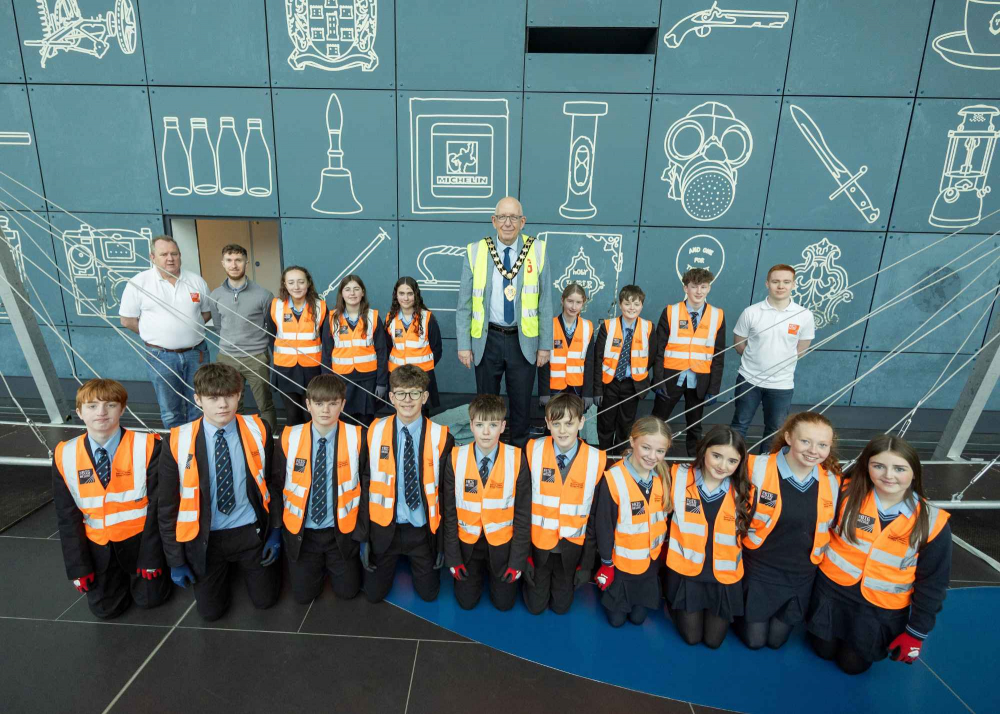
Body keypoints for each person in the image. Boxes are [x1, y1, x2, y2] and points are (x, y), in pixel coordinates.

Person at [807, 436, 952, 674]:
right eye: (879, 466)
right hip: (831, 594)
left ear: (914, 473)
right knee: (822, 651)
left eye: (899, 468)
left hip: (880, 609)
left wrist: (916, 633)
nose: (889, 475)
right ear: (867, 466)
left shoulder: (932, 522)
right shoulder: (844, 494)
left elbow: (934, 583)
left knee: (852, 666)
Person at [158, 363, 282, 621]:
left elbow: (272, 483)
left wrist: (276, 531)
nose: (222, 404)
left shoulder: (259, 430)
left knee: (266, 601)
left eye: (228, 396)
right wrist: (175, 559)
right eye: (213, 398)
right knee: (211, 613)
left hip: (249, 530)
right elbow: (167, 506)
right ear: (198, 399)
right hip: (206, 537)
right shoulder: (176, 441)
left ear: (239, 395)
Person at [52, 379, 171, 619]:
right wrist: (78, 568)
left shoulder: (148, 446)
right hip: (98, 548)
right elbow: (67, 517)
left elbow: (160, 508)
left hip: (140, 544)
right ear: (79, 412)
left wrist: (152, 558)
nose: (102, 413)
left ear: (123, 409)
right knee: (105, 611)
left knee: (151, 601)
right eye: (92, 406)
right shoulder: (64, 454)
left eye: (110, 405)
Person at [736, 411, 841, 650]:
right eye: (805, 441)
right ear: (788, 437)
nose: (813, 450)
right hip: (760, 568)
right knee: (755, 641)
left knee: (776, 642)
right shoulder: (755, 467)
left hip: (801, 573)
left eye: (822, 444)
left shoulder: (833, 481)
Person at [455, 197, 553, 446]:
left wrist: (545, 345)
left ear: (523, 222)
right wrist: (464, 344)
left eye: (513, 218)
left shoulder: (538, 250)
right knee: (487, 403)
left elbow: (545, 302)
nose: (507, 223)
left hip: (524, 341)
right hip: (487, 340)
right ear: (493, 221)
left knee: (521, 403)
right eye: (502, 217)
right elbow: (464, 303)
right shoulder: (475, 250)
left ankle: (518, 453)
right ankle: (488, 451)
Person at [359, 365, 453, 603]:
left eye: (414, 393)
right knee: (372, 595)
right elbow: (364, 487)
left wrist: (443, 544)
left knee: (429, 595)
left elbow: (446, 496)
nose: (407, 400)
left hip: (421, 531)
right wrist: (363, 538)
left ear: (425, 397)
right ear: (391, 397)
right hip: (385, 528)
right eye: (401, 393)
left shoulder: (442, 437)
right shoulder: (374, 432)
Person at [275, 374, 365, 604]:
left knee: (349, 592)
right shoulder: (288, 438)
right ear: (308, 404)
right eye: (319, 403)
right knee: (304, 596)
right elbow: (275, 487)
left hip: (341, 531)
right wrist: (277, 533)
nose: (326, 410)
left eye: (333, 403)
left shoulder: (358, 438)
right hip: (303, 534)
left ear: (343, 405)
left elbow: (368, 489)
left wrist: (363, 536)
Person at [664, 426, 752, 649]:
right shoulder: (678, 476)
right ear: (704, 450)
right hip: (687, 572)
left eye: (732, 461)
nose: (723, 466)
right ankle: (673, 602)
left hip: (723, 577)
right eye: (716, 456)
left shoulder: (745, 489)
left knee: (713, 642)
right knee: (692, 638)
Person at [442, 394, 531, 611]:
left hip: (502, 547)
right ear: (471, 425)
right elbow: (449, 513)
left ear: (502, 426)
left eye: (492, 425)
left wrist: (517, 562)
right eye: (480, 424)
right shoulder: (455, 457)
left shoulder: (517, 458)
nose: (486, 432)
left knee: (504, 605)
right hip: (467, 547)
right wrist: (453, 558)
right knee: (466, 603)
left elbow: (522, 515)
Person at [522, 393, 606, 615]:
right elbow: (521, 508)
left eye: (569, 423)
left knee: (561, 608)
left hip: (571, 550)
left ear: (581, 422)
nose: (562, 430)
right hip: (538, 547)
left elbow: (594, 518)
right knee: (535, 607)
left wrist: (586, 565)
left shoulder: (597, 460)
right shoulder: (532, 450)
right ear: (547, 423)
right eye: (556, 423)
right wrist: (525, 556)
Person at [119, 235, 210, 429]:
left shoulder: (196, 281)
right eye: (164, 254)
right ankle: (177, 449)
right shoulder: (138, 283)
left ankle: (196, 445)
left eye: (174, 254)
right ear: (152, 257)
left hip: (197, 353)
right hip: (161, 356)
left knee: (199, 404)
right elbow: (127, 320)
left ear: (180, 256)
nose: (170, 258)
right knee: (170, 409)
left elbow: (206, 313)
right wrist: (155, 336)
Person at [594, 416, 671, 628]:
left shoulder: (663, 477)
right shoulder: (613, 478)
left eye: (660, 451)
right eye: (646, 447)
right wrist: (607, 564)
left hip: (649, 565)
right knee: (617, 621)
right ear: (632, 441)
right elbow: (604, 527)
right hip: (621, 566)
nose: (652, 456)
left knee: (638, 619)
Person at [730, 264, 815, 453]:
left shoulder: (804, 315)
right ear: (767, 283)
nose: (780, 286)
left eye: (786, 282)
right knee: (740, 425)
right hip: (749, 379)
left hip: (781, 384)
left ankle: (765, 466)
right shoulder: (751, 312)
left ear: (793, 284)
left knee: (775, 430)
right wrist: (756, 360)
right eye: (776, 281)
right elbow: (739, 344)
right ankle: (733, 464)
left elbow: (802, 348)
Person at [651, 268, 726, 456]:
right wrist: (658, 379)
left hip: (700, 380)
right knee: (657, 422)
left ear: (709, 288)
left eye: (703, 286)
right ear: (686, 288)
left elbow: (718, 355)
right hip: (671, 378)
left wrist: (713, 388)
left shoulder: (717, 315)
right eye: (694, 286)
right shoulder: (670, 311)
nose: (699, 291)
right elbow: (659, 350)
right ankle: (650, 456)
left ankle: (695, 461)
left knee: (695, 425)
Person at [209, 243, 276, 430]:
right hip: (227, 358)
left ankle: (268, 442)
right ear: (223, 263)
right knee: (230, 405)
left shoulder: (264, 295)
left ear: (246, 262)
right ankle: (235, 438)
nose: (234, 265)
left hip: (256, 358)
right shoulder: (216, 295)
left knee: (265, 404)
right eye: (229, 260)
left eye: (238, 260)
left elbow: (270, 326)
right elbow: (218, 326)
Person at [593, 285, 653, 456]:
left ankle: (619, 459)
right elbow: (598, 360)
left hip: (632, 385)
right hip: (609, 384)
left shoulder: (648, 328)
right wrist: (597, 389)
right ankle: (603, 457)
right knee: (605, 423)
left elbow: (652, 357)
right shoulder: (608, 326)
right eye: (627, 304)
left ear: (642, 305)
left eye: (636, 304)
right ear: (620, 304)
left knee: (625, 426)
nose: (632, 308)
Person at [322, 274, 388, 427]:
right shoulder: (331, 319)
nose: (352, 293)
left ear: (362, 292)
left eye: (356, 289)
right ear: (341, 293)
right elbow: (326, 354)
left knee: (366, 424)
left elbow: (382, 352)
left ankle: (365, 451)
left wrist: (382, 382)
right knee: (343, 424)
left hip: (368, 380)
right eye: (347, 289)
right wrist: (327, 383)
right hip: (340, 380)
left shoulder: (373, 317)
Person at [265, 266, 327, 427]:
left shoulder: (320, 307)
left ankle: (312, 449)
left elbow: (325, 340)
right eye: (291, 282)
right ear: (284, 285)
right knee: (292, 416)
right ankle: (294, 450)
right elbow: (272, 337)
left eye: (301, 282)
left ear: (308, 284)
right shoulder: (275, 305)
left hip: (312, 369)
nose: (296, 287)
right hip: (286, 369)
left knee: (311, 415)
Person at [384, 277, 443, 411]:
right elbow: (387, 348)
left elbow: (437, 349)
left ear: (416, 295)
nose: (406, 298)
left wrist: (423, 371)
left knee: (421, 416)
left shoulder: (427, 318)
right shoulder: (390, 319)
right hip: (397, 377)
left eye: (410, 293)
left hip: (422, 378)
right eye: (402, 293)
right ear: (396, 295)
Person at [538, 283, 595, 410]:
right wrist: (544, 392)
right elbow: (543, 363)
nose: (574, 307)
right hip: (554, 389)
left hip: (577, 389)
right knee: (554, 423)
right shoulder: (549, 326)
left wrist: (587, 393)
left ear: (583, 303)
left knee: (573, 424)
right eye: (570, 301)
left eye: (578, 302)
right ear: (562, 300)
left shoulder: (588, 327)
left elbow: (590, 363)